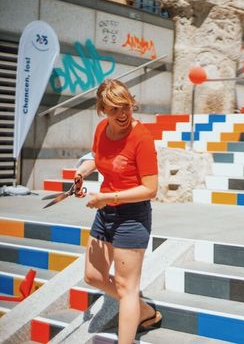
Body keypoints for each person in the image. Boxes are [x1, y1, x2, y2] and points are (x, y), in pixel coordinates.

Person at [74, 79, 160, 343]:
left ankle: (131, 316)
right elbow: (97, 157)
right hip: (106, 213)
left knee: (126, 287)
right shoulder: (101, 129)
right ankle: (144, 311)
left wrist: (107, 197)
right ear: (102, 110)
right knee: (92, 276)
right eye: (114, 110)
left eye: (126, 107)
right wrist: (80, 172)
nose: (122, 115)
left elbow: (150, 189)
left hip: (132, 217)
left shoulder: (141, 138)